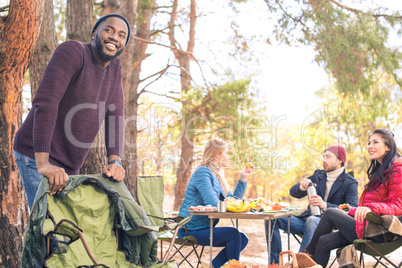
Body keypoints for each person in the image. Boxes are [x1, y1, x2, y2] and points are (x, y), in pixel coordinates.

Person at [13, 14, 131, 210]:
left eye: (121, 35)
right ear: (95, 33)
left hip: (69, 164)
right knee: (48, 231)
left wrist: (115, 161)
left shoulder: (114, 69)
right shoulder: (73, 52)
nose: (114, 37)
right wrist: (43, 163)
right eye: (108, 30)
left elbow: (116, 116)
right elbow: (46, 102)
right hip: (36, 155)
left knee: (66, 230)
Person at [304, 129, 402, 267]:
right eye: (369, 143)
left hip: (381, 233)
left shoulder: (397, 169)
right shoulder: (381, 171)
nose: (370, 146)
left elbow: (399, 206)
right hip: (369, 225)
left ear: (387, 146)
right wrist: (353, 210)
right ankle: (308, 258)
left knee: (330, 213)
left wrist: (369, 208)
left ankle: (306, 254)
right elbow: (377, 204)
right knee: (324, 241)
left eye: (375, 142)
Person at [265, 145, 359, 264]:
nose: (324, 160)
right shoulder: (318, 176)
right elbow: (293, 192)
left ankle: (299, 264)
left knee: (312, 220)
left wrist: (325, 205)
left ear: (340, 160)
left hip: (330, 227)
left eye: (328, 156)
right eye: (323, 156)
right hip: (305, 222)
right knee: (271, 218)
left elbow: (351, 209)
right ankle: (274, 264)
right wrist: (302, 186)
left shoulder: (349, 182)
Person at [178, 138, 254, 268]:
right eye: (226, 153)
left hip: (204, 228)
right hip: (189, 229)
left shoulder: (217, 176)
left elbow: (233, 200)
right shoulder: (203, 172)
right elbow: (213, 202)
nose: (229, 157)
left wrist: (243, 178)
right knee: (233, 234)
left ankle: (212, 266)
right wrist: (233, 205)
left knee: (242, 238)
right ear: (217, 154)